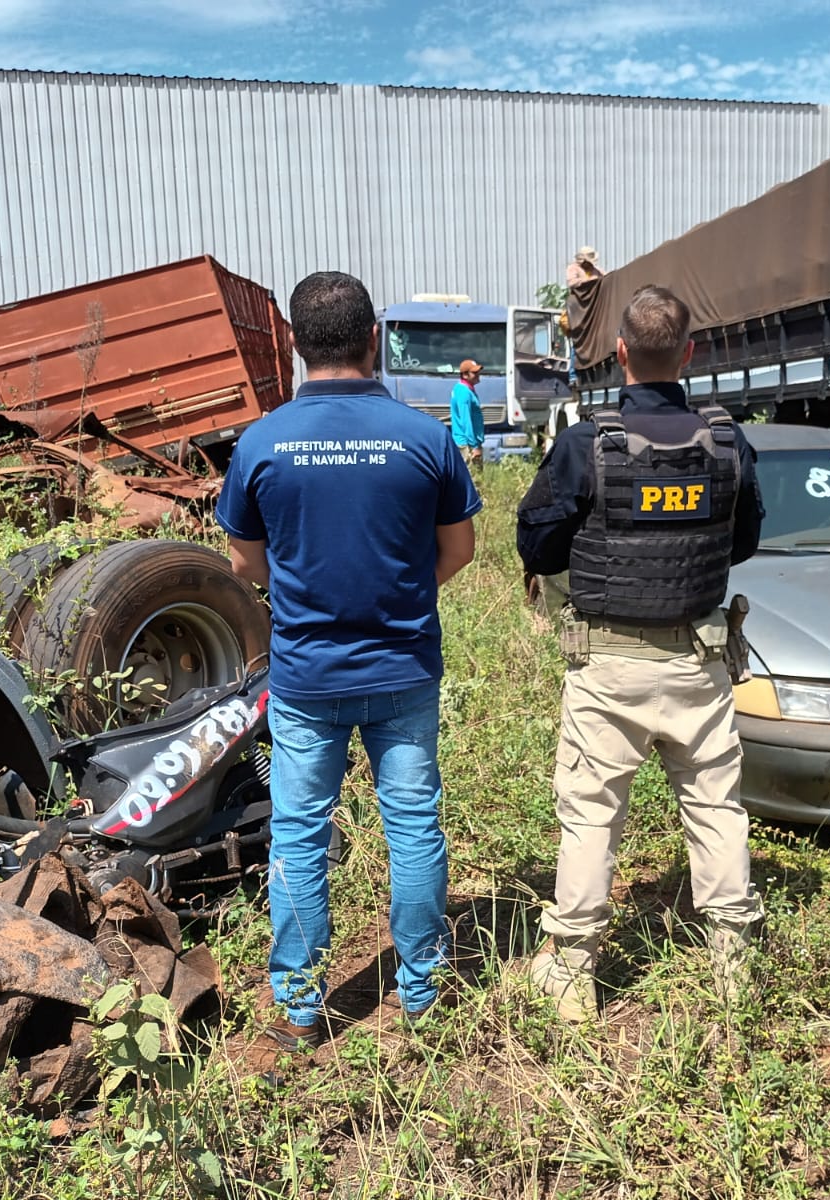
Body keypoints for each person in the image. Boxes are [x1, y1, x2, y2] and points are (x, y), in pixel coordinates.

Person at [216, 271, 481, 1048]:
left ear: (297, 348)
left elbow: (242, 562)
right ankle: (422, 990)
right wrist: (400, 594)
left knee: (298, 833)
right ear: (374, 341)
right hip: (403, 671)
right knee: (413, 826)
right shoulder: (424, 436)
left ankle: (300, 1008)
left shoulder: (261, 441)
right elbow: (459, 550)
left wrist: (304, 591)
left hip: (306, 676)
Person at [515, 284, 766, 1021]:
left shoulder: (586, 442)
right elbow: (744, 541)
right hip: (700, 664)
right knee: (716, 809)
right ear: (687, 353)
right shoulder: (728, 441)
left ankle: (572, 974)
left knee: (591, 815)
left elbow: (537, 539)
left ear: (619, 352)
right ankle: (733, 966)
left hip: (609, 668)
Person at [449, 359, 485, 473]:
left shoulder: (464, 390)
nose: (478, 375)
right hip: (467, 444)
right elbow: (466, 420)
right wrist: (474, 446)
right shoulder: (464, 392)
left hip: (469, 442)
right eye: (474, 373)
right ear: (465, 375)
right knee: (474, 479)